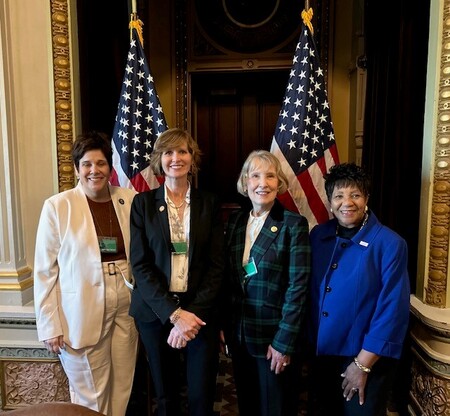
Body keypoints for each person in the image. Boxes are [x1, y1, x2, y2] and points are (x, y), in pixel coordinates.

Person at [34, 131, 138, 416]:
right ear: (78, 168)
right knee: (90, 394)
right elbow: (45, 270)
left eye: (101, 163)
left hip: (126, 303)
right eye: (88, 164)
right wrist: (49, 325)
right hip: (80, 309)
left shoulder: (129, 199)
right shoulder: (58, 206)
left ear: (110, 167)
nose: (95, 171)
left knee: (122, 386)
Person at [129, 127, 224, 416]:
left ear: (192, 158)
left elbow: (216, 265)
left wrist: (190, 316)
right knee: (165, 395)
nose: (176, 158)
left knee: (201, 395)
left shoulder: (209, 202)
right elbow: (141, 266)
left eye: (182, 151)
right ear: (159, 159)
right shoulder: (142, 204)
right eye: (168, 152)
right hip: (156, 313)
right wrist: (174, 314)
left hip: (199, 313)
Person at [308, 162, 411, 416]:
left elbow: (393, 311)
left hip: (366, 359)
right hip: (322, 358)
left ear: (366, 198)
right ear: (330, 201)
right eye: (339, 196)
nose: (347, 202)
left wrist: (362, 365)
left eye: (355, 195)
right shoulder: (317, 236)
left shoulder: (390, 244)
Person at [221, 150, 311, 416]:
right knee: (247, 404)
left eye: (270, 176)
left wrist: (284, 341)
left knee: (276, 408)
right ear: (245, 181)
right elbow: (228, 279)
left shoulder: (293, 225)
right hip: (240, 335)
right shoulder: (236, 221)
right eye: (256, 175)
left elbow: (299, 288)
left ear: (278, 182)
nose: (263, 183)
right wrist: (225, 325)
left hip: (274, 339)